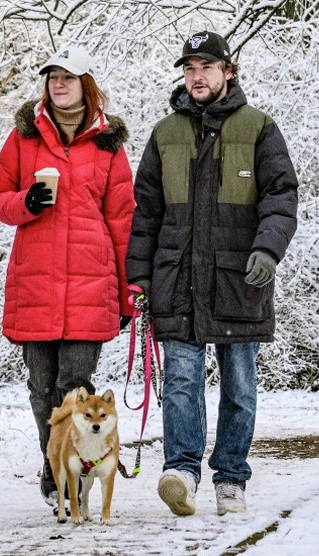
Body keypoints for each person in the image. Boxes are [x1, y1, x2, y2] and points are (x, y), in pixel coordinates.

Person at [125, 30, 298, 517]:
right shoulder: (165, 133)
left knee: (239, 386)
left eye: (206, 67)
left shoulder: (259, 128)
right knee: (180, 382)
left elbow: (281, 197)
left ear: (228, 72)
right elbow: (146, 213)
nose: (197, 76)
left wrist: (268, 250)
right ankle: (181, 472)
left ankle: (231, 478)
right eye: (189, 68)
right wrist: (139, 278)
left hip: (238, 280)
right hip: (176, 279)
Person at [0, 45, 134, 512]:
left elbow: (123, 221)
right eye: (52, 77)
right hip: (36, 284)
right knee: (41, 389)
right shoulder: (23, 138)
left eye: (68, 77)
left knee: (74, 386)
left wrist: (128, 295)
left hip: (91, 285)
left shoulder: (108, 145)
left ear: (86, 85)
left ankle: (69, 478)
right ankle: (54, 466)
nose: (59, 84)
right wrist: (25, 203)